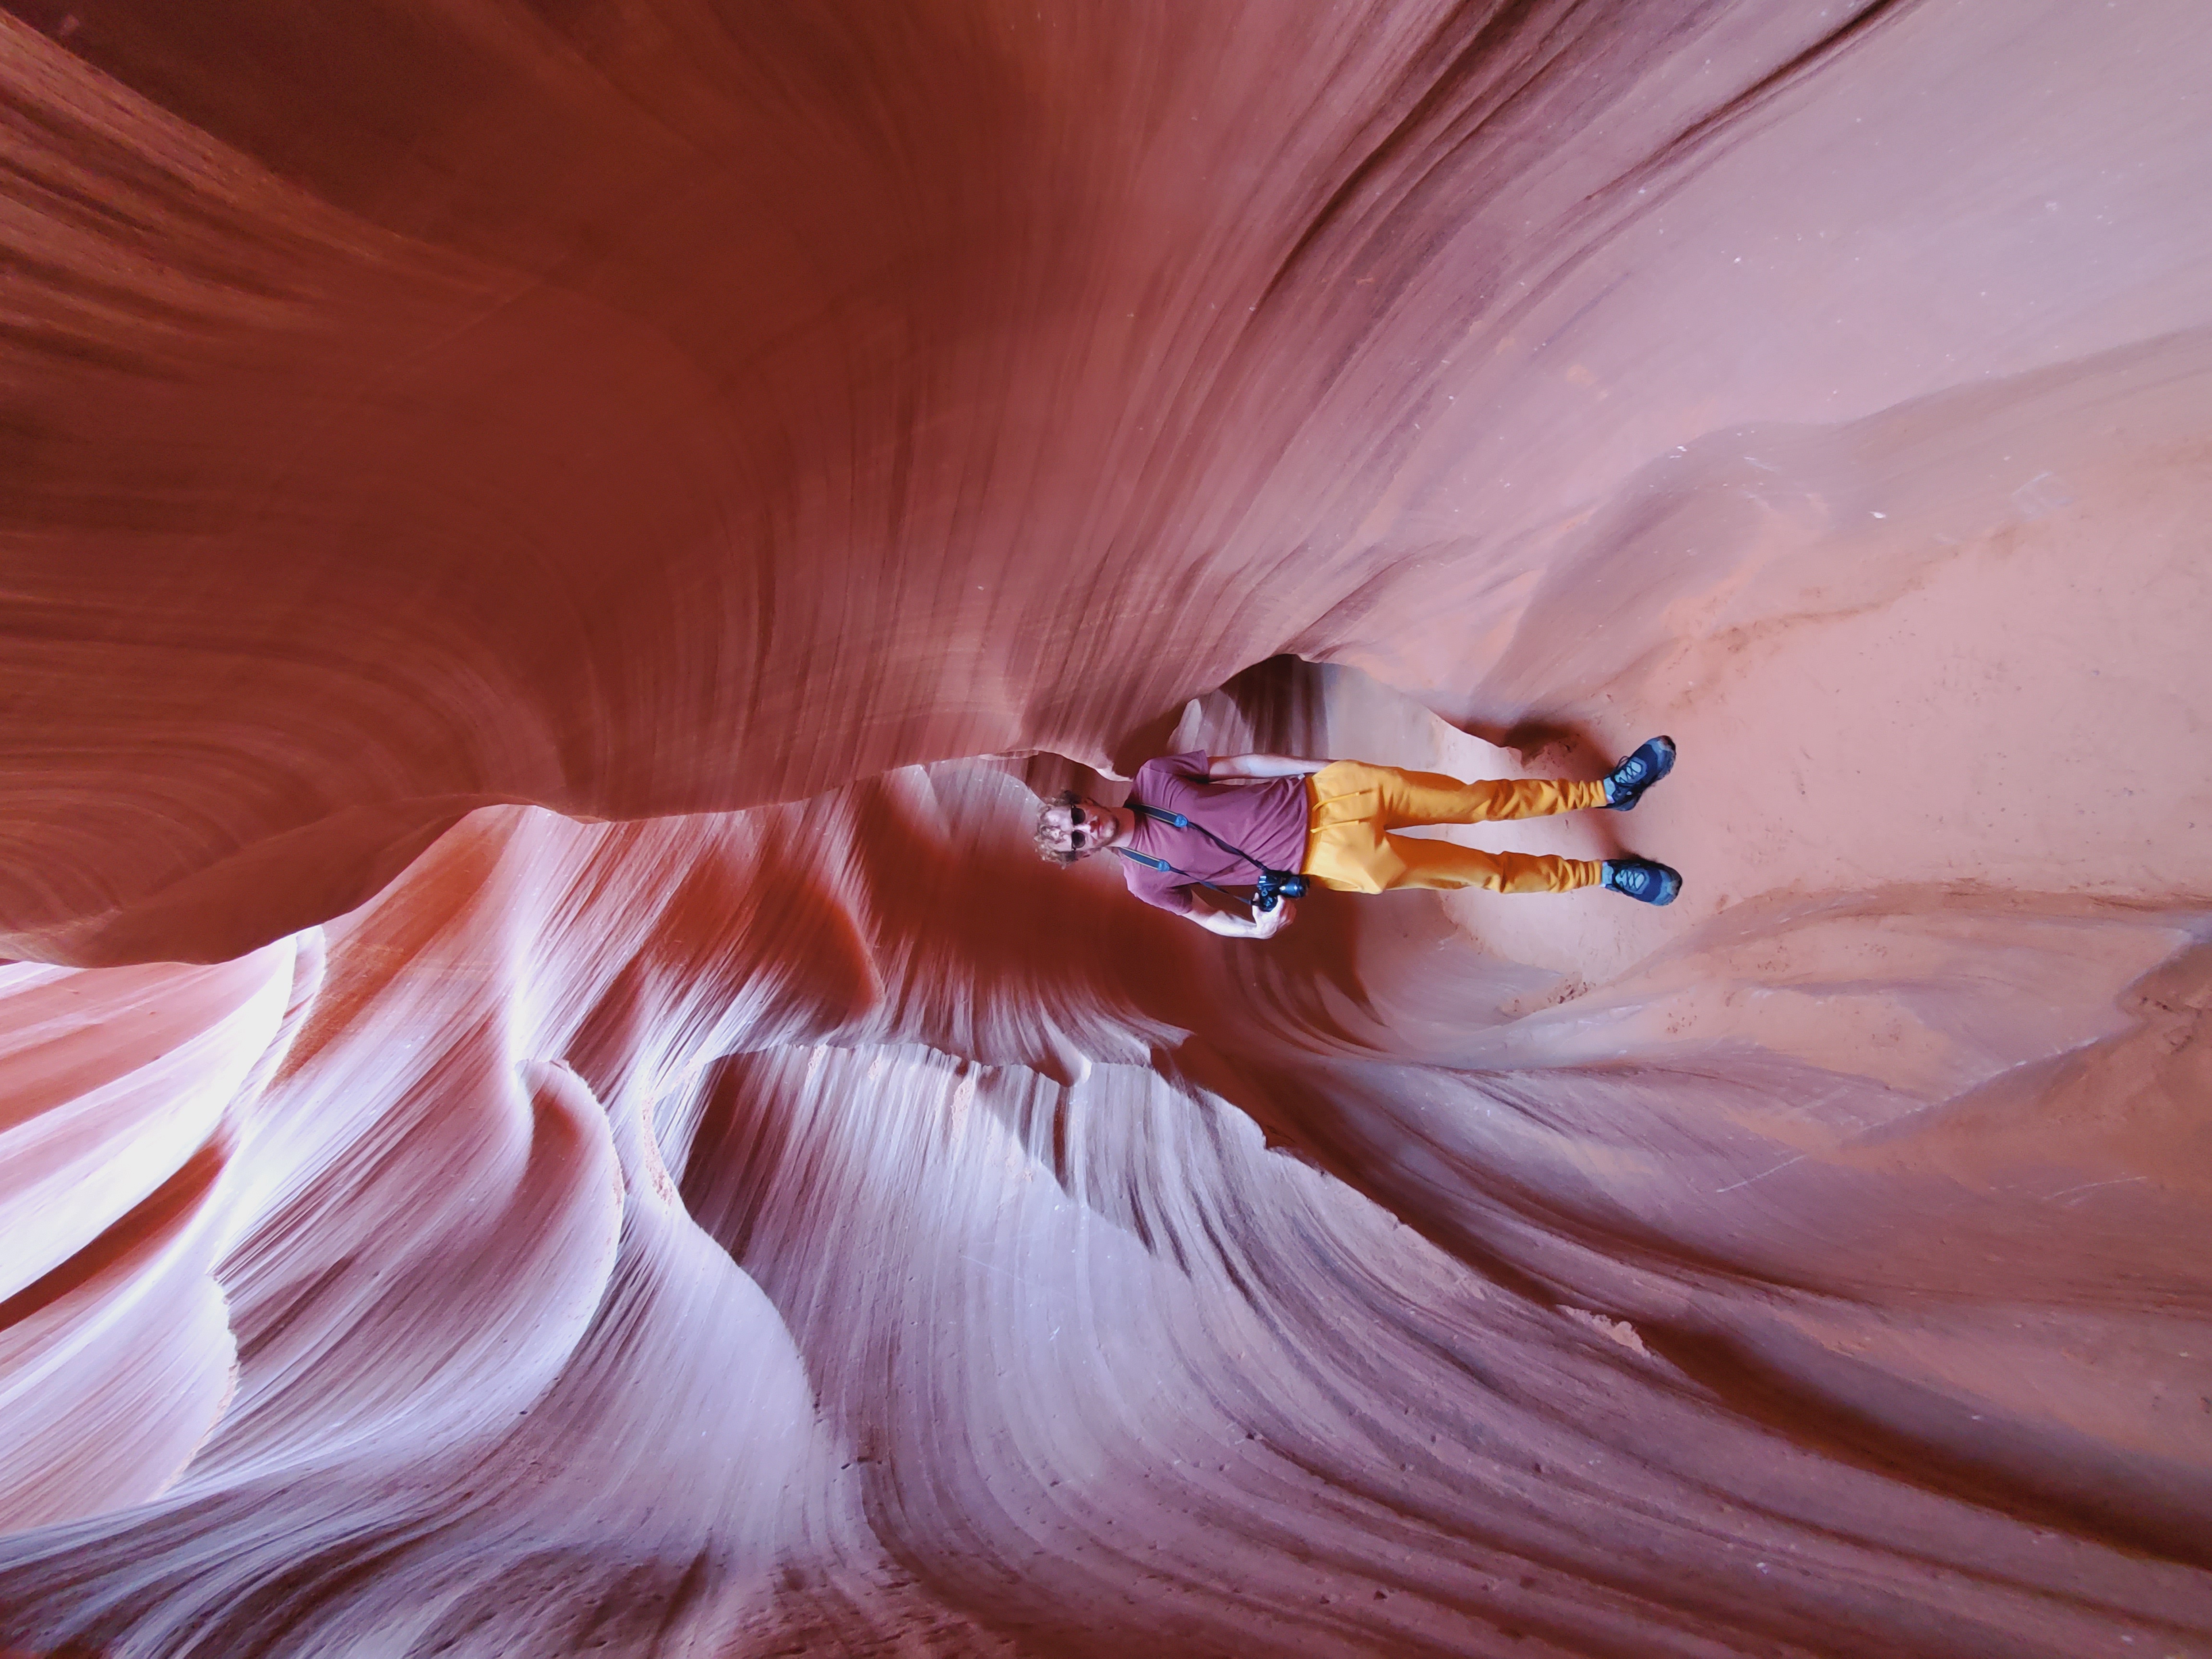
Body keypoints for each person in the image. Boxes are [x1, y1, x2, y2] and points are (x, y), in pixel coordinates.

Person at [1033, 739, 1681, 938]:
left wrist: (1323, 767)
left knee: (1477, 799)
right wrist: (1258, 930)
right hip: (1328, 858)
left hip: (1335, 793)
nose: (1089, 828)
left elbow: (1243, 765)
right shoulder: (1144, 880)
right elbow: (1208, 919)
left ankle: (1606, 791)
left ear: (1084, 800)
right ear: (1081, 854)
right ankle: (1604, 875)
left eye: (1078, 816)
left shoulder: (1156, 776)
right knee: (1481, 871)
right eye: (1077, 839)